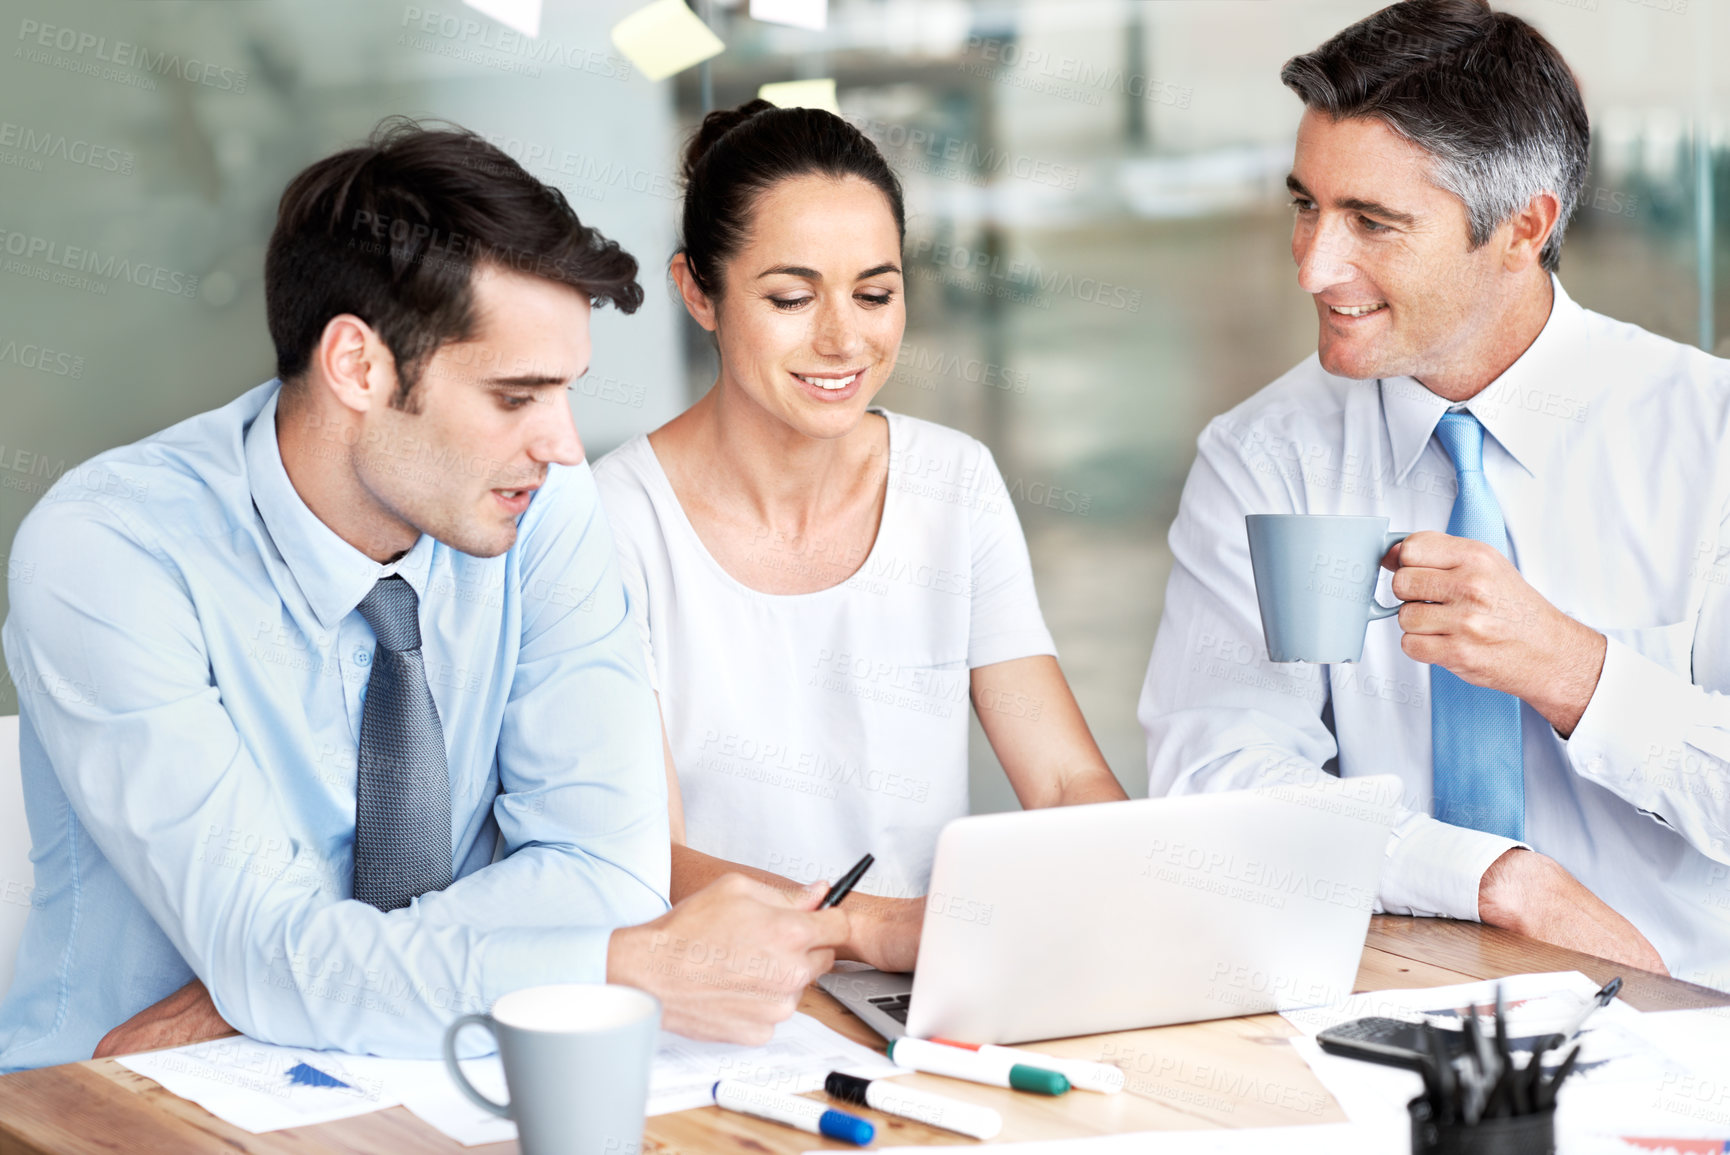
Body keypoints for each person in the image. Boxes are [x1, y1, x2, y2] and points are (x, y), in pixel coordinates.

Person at [0, 121, 850, 1072]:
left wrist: (284, 982)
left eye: (565, 390)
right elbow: (277, 959)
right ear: (358, 366)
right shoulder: (110, 554)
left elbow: (609, 875)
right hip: (125, 1096)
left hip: (429, 1079)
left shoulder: (542, 506)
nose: (565, 445)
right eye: (515, 396)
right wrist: (617, 970)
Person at [1141, 0, 1730, 983]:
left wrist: (1575, 673)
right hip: (1386, 1013)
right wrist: (1489, 878)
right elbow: (1217, 781)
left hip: (1683, 1021)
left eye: (1370, 222)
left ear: (1521, 228)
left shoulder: (1707, 441)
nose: (1312, 267)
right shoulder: (1264, 454)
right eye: (1304, 206)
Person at [593, 101, 1127, 974]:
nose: (843, 338)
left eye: (875, 293)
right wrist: (867, 928)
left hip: (922, 984)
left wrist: (1130, 890)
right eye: (792, 297)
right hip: (722, 998)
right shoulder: (614, 522)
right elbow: (645, 857)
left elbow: (1066, 780)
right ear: (698, 290)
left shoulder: (953, 485)